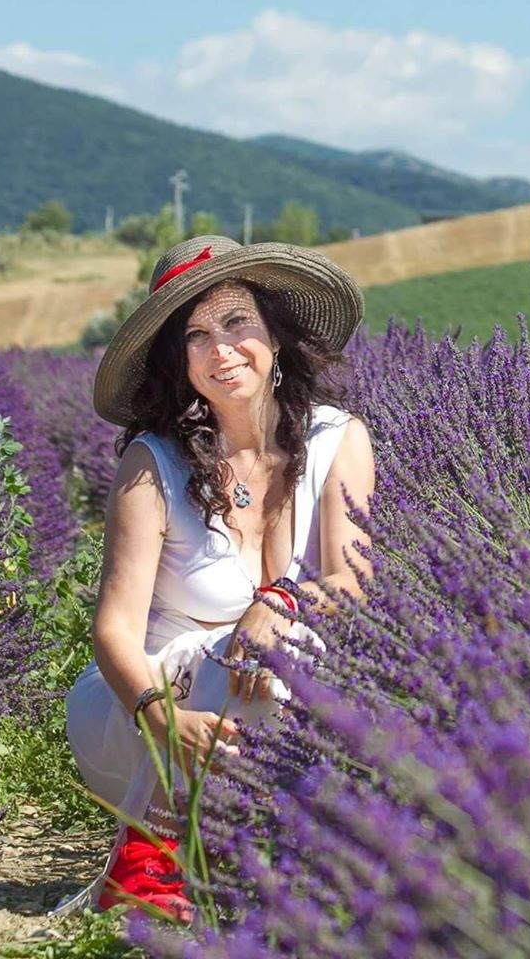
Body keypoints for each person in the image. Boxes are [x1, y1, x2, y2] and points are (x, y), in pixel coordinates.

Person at [63, 235, 375, 922]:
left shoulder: (337, 439)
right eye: (196, 335)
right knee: (245, 658)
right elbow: (113, 627)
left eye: (237, 323)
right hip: (141, 703)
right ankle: (153, 855)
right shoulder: (153, 463)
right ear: (180, 362)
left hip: (277, 681)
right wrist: (160, 716)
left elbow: (349, 584)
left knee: (274, 648)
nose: (221, 348)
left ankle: (229, 857)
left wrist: (278, 600)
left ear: (274, 338)